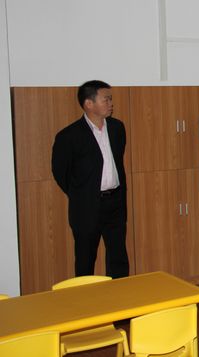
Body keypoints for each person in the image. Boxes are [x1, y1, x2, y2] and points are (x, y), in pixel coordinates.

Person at [51, 80, 129, 278]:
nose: (111, 103)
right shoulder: (69, 136)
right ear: (89, 104)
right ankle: (85, 297)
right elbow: (60, 172)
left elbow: (117, 160)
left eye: (110, 99)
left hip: (115, 202)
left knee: (118, 257)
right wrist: (82, 193)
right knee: (85, 259)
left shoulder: (117, 128)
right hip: (86, 206)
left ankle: (121, 294)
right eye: (106, 99)